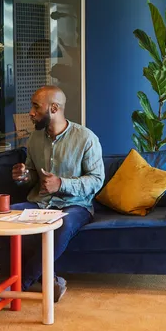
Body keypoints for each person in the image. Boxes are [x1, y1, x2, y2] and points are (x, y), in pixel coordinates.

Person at [10, 86, 104, 302]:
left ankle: (20, 284)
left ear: (54, 108)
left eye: (35, 106)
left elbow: (97, 180)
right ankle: (49, 279)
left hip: (75, 205)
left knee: (61, 226)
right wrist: (23, 177)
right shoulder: (35, 139)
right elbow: (32, 175)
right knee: (8, 218)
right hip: (40, 203)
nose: (30, 113)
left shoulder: (86, 138)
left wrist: (61, 184)